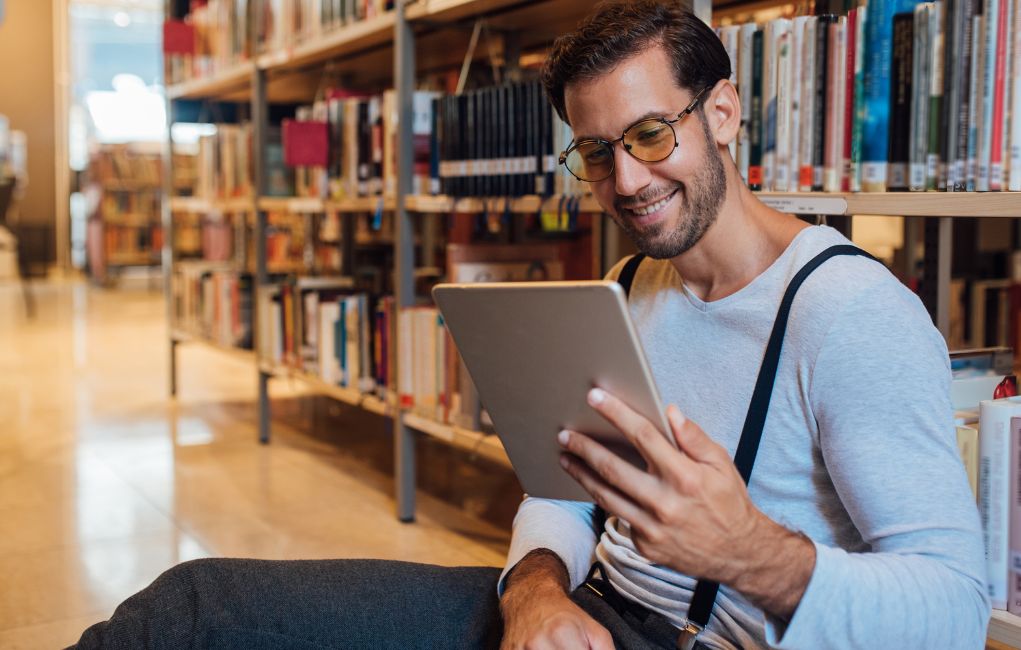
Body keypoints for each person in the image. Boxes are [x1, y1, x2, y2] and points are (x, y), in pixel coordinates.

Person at [72, 3, 989, 649]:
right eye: (595, 153)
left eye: (649, 135)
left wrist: (751, 554)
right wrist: (535, 592)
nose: (625, 181)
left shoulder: (850, 313)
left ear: (721, 113)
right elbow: (562, 496)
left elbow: (952, 611)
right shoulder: (627, 286)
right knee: (191, 611)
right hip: (583, 615)